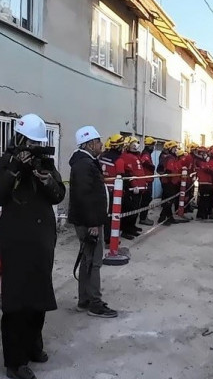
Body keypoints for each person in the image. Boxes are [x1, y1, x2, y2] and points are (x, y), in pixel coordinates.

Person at [0, 114, 65, 379]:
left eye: (37, 143)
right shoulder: (5, 162)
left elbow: (60, 194)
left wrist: (46, 179)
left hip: (42, 239)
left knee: (39, 296)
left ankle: (34, 346)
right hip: (16, 239)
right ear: (20, 139)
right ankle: (15, 361)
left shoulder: (46, 162)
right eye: (30, 143)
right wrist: (15, 170)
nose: (33, 148)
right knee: (18, 300)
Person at [68, 125, 119, 319]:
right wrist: (92, 224)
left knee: (87, 260)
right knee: (94, 262)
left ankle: (85, 300)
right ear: (90, 143)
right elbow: (84, 196)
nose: (101, 145)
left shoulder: (86, 162)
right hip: (89, 221)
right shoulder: (84, 164)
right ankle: (95, 303)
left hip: (89, 219)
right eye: (98, 141)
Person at [98, 134, 125, 245]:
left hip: (102, 189)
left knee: (104, 214)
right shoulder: (119, 160)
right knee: (113, 215)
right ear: (119, 146)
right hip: (114, 191)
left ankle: (102, 236)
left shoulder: (102, 156)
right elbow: (121, 176)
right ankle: (110, 239)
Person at [119, 136, 147, 239]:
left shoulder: (136, 156)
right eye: (133, 143)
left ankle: (132, 226)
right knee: (129, 209)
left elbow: (139, 171)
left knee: (136, 209)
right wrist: (134, 184)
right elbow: (128, 173)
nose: (136, 146)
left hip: (139, 187)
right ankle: (126, 230)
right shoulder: (125, 157)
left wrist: (143, 183)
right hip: (132, 189)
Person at [156, 141, 189, 224]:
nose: (176, 149)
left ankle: (169, 218)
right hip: (169, 183)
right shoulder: (170, 158)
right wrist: (172, 182)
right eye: (174, 148)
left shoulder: (172, 158)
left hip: (170, 182)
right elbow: (169, 170)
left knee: (169, 201)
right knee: (168, 201)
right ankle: (163, 218)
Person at [138, 136, 157, 226]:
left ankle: (143, 217)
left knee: (147, 199)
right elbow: (145, 163)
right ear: (150, 146)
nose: (153, 148)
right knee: (146, 199)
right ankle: (143, 218)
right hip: (146, 180)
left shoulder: (146, 154)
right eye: (153, 146)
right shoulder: (145, 154)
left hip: (148, 179)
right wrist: (152, 166)